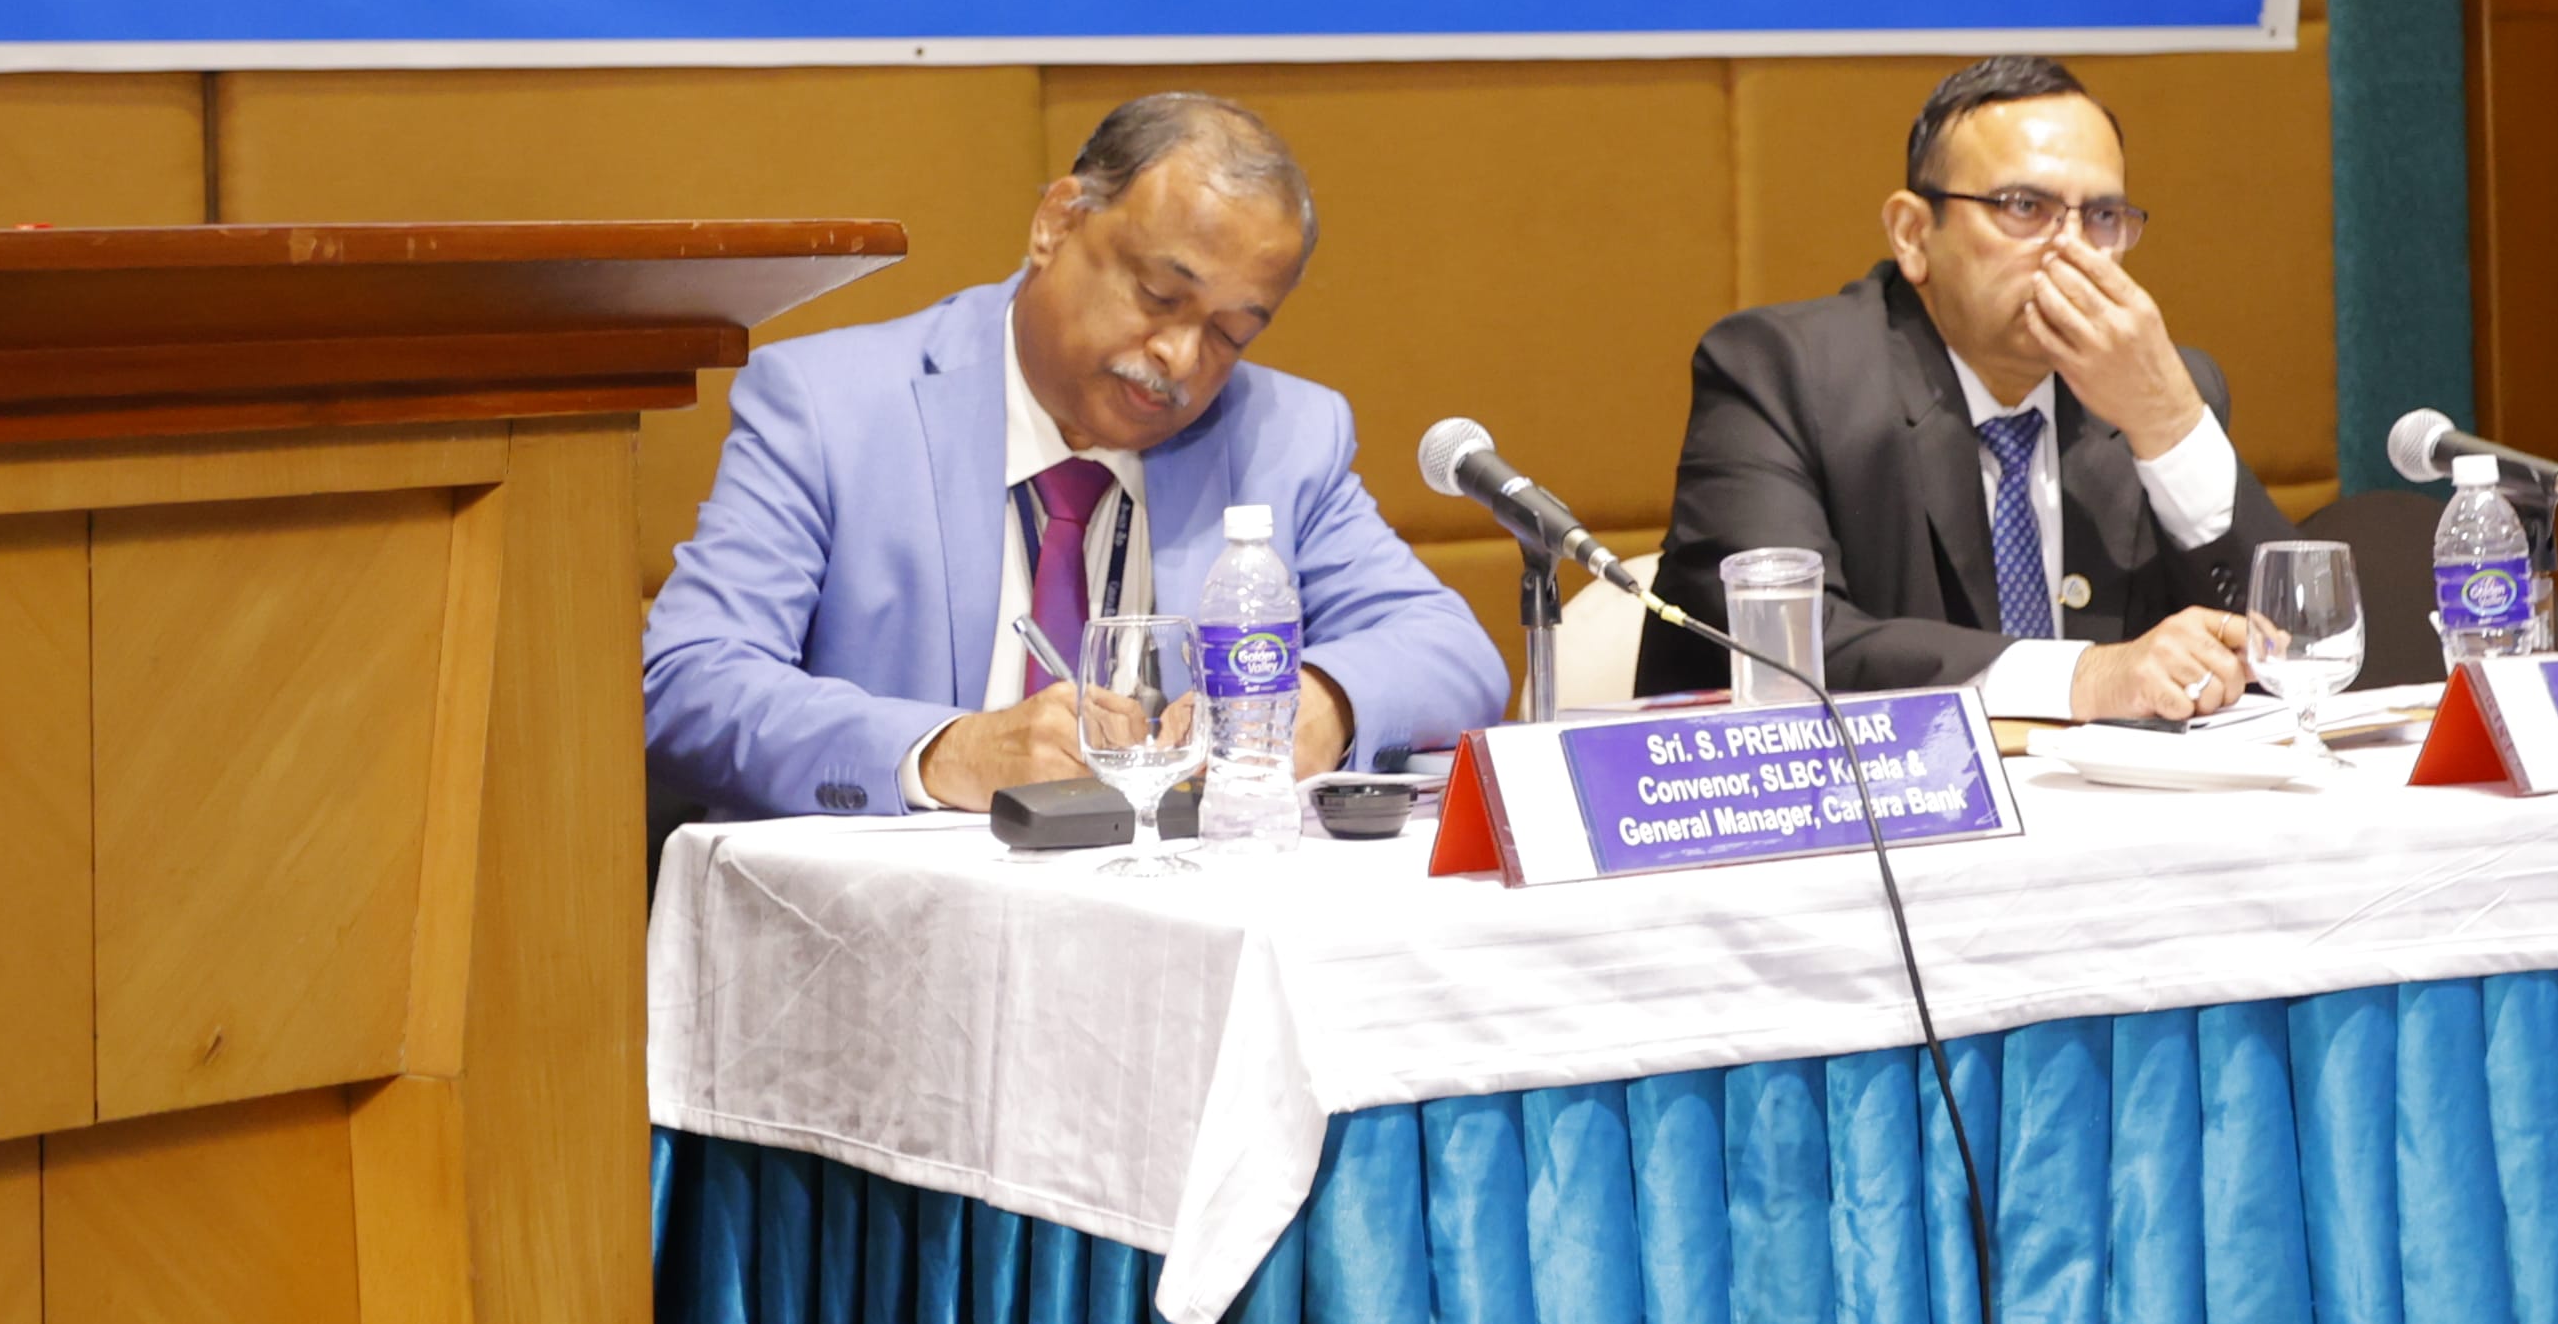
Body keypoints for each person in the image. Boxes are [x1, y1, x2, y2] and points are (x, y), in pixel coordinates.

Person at [641, 93, 1506, 823]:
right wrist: (948, 753)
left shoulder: (1282, 434)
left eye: (1231, 333)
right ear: (1057, 224)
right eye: (1159, 295)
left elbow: (1451, 650)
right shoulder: (832, 407)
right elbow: (687, 681)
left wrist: (1321, 702)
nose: (1179, 357)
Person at [1639, 55, 2268, 715]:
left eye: (2103, 216)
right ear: (1913, 234)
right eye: (2025, 207)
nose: (2076, 251)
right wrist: (2082, 677)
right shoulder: (1780, 373)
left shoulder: (2161, 391)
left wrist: (2171, 425)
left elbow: (2295, 654)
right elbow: (1782, 649)